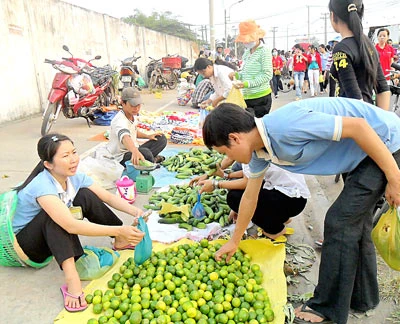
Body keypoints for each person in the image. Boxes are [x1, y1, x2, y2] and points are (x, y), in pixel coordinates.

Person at [202, 99, 400, 324]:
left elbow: (359, 127)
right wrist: (235, 241)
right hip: (360, 156)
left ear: (235, 138)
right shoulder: (259, 152)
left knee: (339, 222)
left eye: (224, 152)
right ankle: (363, 298)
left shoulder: (284, 126)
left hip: (386, 144)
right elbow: (250, 197)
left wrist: (394, 178)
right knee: (355, 222)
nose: (228, 161)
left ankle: (326, 310)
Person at [12, 134, 146, 312]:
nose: (73, 159)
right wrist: (122, 229)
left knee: (85, 195)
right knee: (54, 217)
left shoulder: (73, 177)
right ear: (48, 164)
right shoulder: (42, 186)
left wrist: (136, 211)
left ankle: (119, 240)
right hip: (26, 247)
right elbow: (70, 225)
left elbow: (106, 196)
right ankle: (72, 281)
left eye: (74, 152)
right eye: (65, 156)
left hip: (48, 237)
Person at [191, 162, 310, 239]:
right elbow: (252, 173)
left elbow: (248, 182)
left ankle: (276, 230)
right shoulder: (253, 143)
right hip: (293, 196)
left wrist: (216, 184)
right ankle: (282, 217)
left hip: (291, 200)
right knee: (236, 189)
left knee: (235, 197)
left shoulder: (251, 152)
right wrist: (225, 176)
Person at [329, 1, 390, 108]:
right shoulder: (369, 45)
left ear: (332, 16)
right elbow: (383, 89)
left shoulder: (341, 49)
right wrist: (379, 121)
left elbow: (354, 99)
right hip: (369, 115)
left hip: (351, 117)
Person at [107, 87, 167, 167]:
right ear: (123, 103)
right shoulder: (119, 120)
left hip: (134, 149)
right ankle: (151, 160)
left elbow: (133, 131)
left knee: (161, 139)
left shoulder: (132, 115)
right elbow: (125, 137)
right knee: (146, 153)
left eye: (138, 105)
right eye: (133, 105)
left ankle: (149, 159)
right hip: (121, 157)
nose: (136, 108)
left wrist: (148, 136)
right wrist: (135, 151)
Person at [229, 19, 273, 117]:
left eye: (248, 39)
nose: (246, 42)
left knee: (256, 127)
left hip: (260, 97)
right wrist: (237, 75)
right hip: (247, 96)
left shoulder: (264, 51)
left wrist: (247, 84)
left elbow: (267, 75)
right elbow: (246, 73)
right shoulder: (247, 52)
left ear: (257, 36)